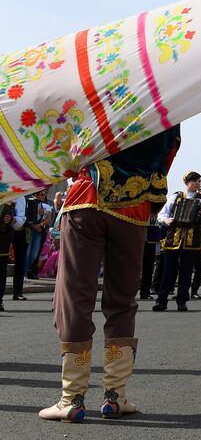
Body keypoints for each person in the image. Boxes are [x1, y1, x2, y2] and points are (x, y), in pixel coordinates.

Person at [39, 125, 181, 421]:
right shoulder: (164, 93)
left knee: (74, 297)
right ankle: (115, 396)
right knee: (122, 301)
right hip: (135, 206)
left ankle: (72, 398)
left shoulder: (98, 83)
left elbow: (65, 144)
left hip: (88, 198)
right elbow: (169, 150)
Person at [153, 171, 201, 312]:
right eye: (194, 181)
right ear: (187, 182)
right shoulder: (176, 196)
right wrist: (166, 220)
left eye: (199, 181)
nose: (197, 183)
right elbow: (162, 215)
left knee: (186, 271)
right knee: (168, 271)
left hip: (192, 239)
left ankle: (182, 300)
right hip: (173, 238)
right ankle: (162, 300)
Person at [0, 195, 23, 312]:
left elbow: (20, 221)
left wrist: (12, 219)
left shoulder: (18, 195)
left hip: (3, 238)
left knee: (1, 269)